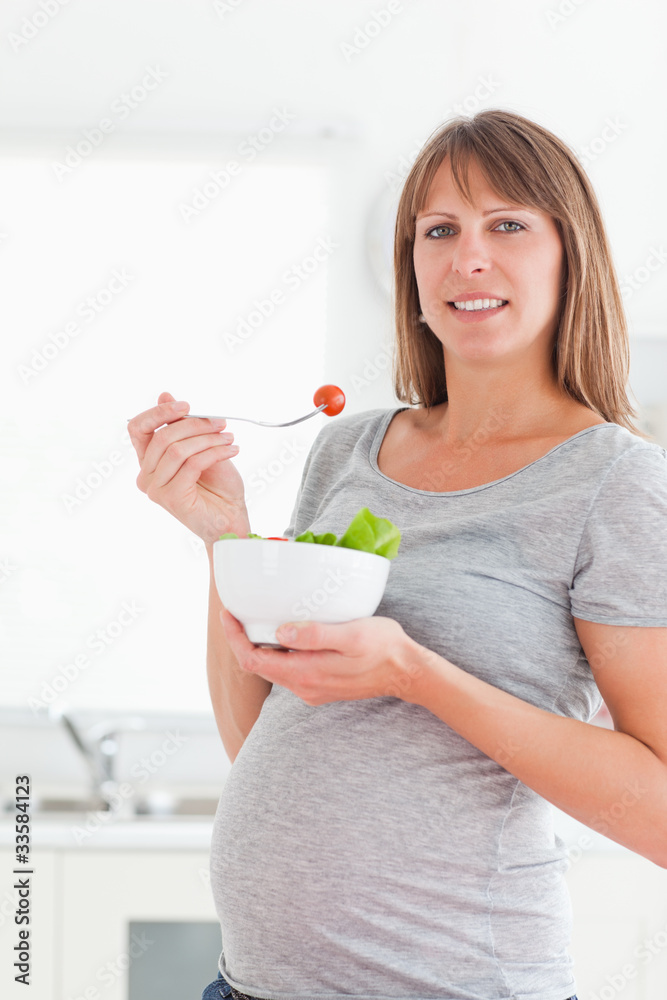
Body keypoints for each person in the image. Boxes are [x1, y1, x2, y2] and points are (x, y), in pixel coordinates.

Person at [128, 109, 667, 1000]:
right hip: (248, 985)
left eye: (507, 225)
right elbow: (265, 736)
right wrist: (227, 539)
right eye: (438, 230)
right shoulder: (347, 452)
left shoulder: (615, 483)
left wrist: (415, 672)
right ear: (409, 265)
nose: (468, 258)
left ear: (571, 256)